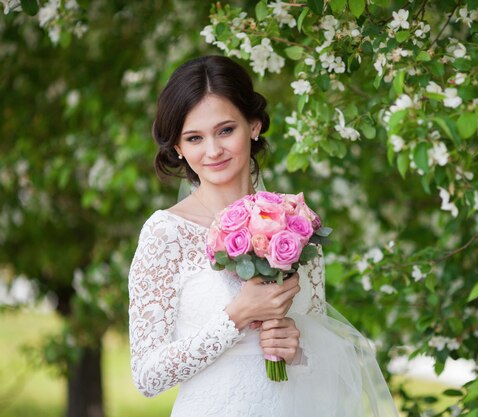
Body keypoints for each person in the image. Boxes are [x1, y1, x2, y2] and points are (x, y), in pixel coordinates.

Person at [128, 55, 398, 416]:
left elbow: (320, 366)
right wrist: (235, 317)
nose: (213, 151)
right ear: (178, 147)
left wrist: (297, 350)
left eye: (226, 130)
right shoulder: (164, 234)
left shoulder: (297, 226)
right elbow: (147, 376)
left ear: (253, 125)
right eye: (194, 138)